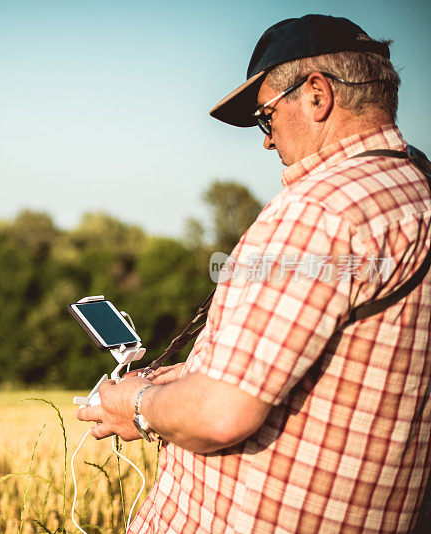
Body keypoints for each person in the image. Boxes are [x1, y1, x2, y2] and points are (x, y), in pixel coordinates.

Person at [77, 14, 431, 532]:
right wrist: (178, 379)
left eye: (266, 116)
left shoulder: (321, 210)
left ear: (316, 95)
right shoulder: (413, 190)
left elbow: (222, 414)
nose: (266, 141)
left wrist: (135, 404)